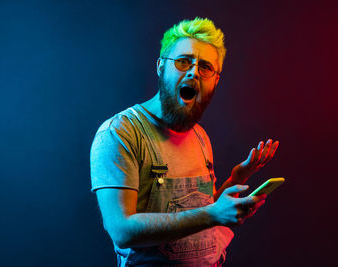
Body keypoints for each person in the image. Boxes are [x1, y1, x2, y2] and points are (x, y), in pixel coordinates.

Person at [90, 17, 279, 266]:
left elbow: (202, 215)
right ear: (160, 67)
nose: (193, 72)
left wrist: (237, 179)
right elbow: (122, 230)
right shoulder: (119, 133)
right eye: (183, 61)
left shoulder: (200, 136)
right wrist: (213, 213)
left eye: (205, 67)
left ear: (215, 80)